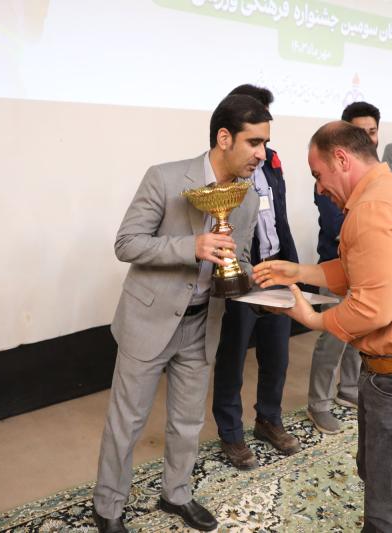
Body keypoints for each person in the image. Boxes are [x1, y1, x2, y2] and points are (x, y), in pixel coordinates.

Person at [253, 121, 392, 532]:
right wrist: (300, 271)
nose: (319, 188)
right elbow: (364, 269)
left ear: (342, 159)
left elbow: (372, 309)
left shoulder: (371, 208)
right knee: (384, 488)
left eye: (318, 174)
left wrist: (312, 318)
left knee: (391, 508)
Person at [91, 94, 265, 533]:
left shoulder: (246, 197)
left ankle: (177, 494)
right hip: (148, 322)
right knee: (127, 422)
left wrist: (259, 279)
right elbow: (126, 243)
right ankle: (108, 507)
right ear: (224, 138)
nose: (262, 154)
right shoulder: (165, 178)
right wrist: (191, 247)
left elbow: (240, 258)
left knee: (188, 421)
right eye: (255, 142)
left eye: (265, 143)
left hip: (203, 322)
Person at [212, 84, 300, 470]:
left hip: (275, 268)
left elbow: (279, 215)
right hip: (241, 274)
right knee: (232, 357)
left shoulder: (273, 161)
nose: (262, 145)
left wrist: (292, 266)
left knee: (277, 354)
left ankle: (269, 419)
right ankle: (231, 433)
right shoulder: (224, 167)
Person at [306, 101, 382, 434]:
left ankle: (349, 388)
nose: (367, 138)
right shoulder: (328, 179)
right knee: (334, 335)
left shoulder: (379, 180)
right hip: (334, 265)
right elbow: (336, 225)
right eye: (359, 132)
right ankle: (318, 404)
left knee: (361, 330)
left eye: (372, 132)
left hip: (367, 265)